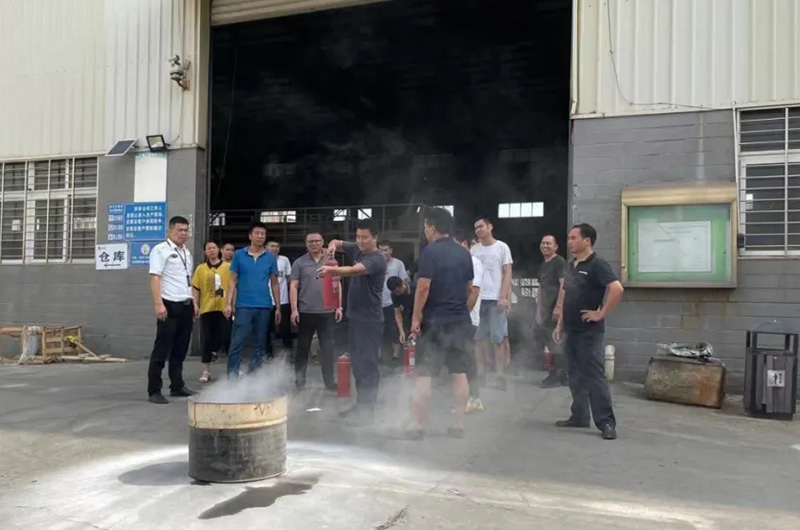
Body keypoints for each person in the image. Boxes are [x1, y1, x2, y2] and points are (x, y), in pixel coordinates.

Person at [406, 208, 475, 440]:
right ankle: (458, 424)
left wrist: (416, 318)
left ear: (432, 227)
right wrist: (459, 309)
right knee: (460, 373)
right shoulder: (464, 253)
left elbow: (423, 288)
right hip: (459, 321)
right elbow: (469, 288)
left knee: (424, 374)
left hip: (434, 321)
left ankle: (418, 425)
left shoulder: (430, 251)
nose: (425, 231)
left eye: (425, 226)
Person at [553, 223, 624, 441]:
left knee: (594, 377)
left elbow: (616, 289)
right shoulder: (572, 265)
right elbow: (566, 296)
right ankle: (580, 416)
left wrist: (600, 313)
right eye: (569, 238)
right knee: (575, 375)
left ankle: (606, 423)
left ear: (587, 241)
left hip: (589, 333)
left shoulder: (598, 264)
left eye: (574, 238)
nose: (569, 242)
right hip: (571, 330)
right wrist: (559, 325)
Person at [318, 219, 387, 424]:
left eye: (365, 237)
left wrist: (332, 270)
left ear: (375, 238)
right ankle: (361, 405)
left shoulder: (377, 258)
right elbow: (337, 242)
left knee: (368, 364)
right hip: (355, 318)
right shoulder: (357, 249)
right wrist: (332, 247)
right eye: (357, 237)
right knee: (357, 364)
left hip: (370, 320)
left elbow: (356, 270)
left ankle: (368, 410)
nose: (360, 241)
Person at [146, 216, 196, 404]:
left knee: (180, 349)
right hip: (169, 305)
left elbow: (188, 280)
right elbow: (155, 278)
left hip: (186, 304)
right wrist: (158, 303)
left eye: (186, 230)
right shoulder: (160, 250)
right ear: (170, 231)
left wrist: (194, 302)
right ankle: (154, 390)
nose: (183, 233)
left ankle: (177, 385)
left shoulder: (186, 252)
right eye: (179, 230)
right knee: (162, 348)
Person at [224, 222, 281, 377]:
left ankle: (253, 377)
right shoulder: (239, 255)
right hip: (243, 305)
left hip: (264, 305)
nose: (260, 236)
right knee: (237, 341)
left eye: (263, 234)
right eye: (257, 233)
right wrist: (228, 304)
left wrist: (278, 307)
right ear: (250, 236)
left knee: (260, 343)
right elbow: (232, 281)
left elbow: (275, 283)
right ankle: (232, 376)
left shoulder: (270, 257)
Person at [290, 231, 343, 391]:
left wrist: (339, 306)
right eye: (310, 241)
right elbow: (293, 286)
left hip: (327, 311)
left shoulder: (330, 261)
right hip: (306, 311)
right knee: (303, 348)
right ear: (306, 244)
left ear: (322, 242)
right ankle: (300, 380)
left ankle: (329, 381)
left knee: (327, 348)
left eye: (317, 241)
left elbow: (337, 283)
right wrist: (294, 309)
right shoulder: (299, 263)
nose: (314, 244)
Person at [471, 217, 513, 390]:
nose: (478, 230)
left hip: (495, 299)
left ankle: (500, 375)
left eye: (481, 226)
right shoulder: (474, 250)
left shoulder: (502, 247)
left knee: (498, 339)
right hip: (477, 299)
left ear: (490, 227)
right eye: (476, 228)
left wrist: (503, 296)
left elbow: (508, 272)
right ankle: (481, 373)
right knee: (478, 339)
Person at [191, 240, 231, 383]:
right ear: (205, 252)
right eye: (209, 248)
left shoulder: (228, 267)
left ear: (219, 250)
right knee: (206, 340)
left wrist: (231, 305)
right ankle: (206, 371)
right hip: (207, 309)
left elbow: (234, 287)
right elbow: (195, 288)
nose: (212, 250)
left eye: (214, 248)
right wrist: (195, 304)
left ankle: (232, 368)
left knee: (228, 338)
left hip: (224, 308)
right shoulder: (200, 269)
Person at [455, 232, 484, 413]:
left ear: (465, 243)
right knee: (460, 359)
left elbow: (474, 291)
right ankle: (465, 397)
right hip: (457, 317)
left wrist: (463, 315)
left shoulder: (473, 263)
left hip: (468, 318)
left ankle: (474, 398)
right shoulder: (458, 263)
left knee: (467, 359)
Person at [536, 235, 568, 388]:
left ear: (556, 247)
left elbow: (564, 285)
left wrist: (559, 306)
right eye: (543, 243)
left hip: (555, 309)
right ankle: (562, 375)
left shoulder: (559, 262)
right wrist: (538, 311)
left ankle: (557, 375)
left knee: (556, 341)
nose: (545, 246)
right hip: (545, 310)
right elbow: (540, 289)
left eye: (548, 243)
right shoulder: (543, 265)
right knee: (550, 340)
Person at [378, 241, 408, 361]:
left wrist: (402, 301)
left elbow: (404, 281)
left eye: (386, 250)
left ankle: (395, 355)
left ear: (391, 250)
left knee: (393, 329)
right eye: (380, 251)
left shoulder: (398, 264)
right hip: (377, 303)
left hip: (392, 302)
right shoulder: (375, 264)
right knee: (377, 330)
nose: (383, 253)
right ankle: (378, 355)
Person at [267, 240, 293, 353]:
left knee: (285, 327)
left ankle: (288, 351)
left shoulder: (284, 260)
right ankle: (267, 353)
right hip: (266, 300)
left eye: (277, 246)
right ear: (266, 247)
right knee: (266, 329)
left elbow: (289, 278)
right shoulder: (262, 260)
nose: (275, 248)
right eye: (272, 246)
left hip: (283, 300)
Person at [387, 276, 415, 346]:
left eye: (398, 291)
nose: (397, 294)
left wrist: (416, 326)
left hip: (422, 310)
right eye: (395, 292)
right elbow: (397, 313)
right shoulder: (394, 295)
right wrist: (401, 331)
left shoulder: (415, 288)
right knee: (406, 333)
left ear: (402, 284)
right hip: (408, 312)